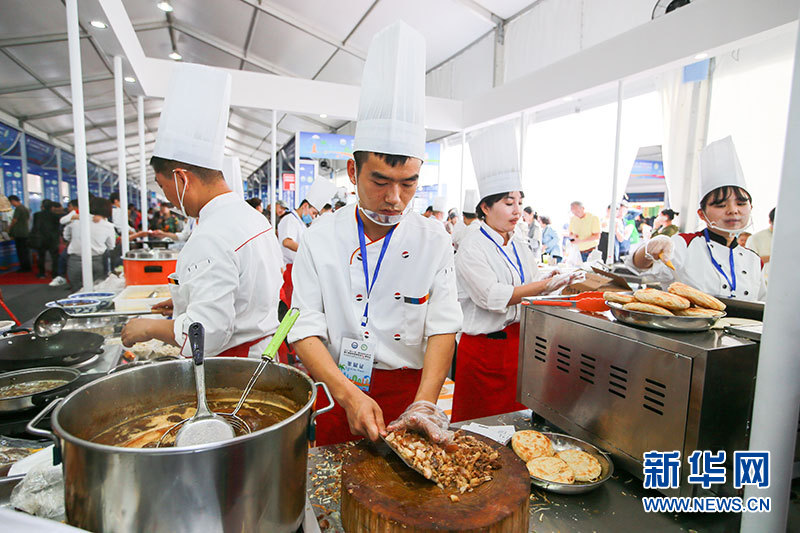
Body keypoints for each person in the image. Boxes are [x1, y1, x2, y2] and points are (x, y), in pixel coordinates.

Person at [288, 22, 461, 446]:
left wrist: (424, 404)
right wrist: (347, 395)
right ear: (352, 171)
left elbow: (443, 327)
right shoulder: (320, 237)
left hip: (410, 390)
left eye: (409, 183)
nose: (396, 199)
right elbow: (303, 327)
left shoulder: (434, 240)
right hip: (337, 388)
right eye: (381, 181)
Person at [121, 64, 283, 358]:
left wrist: (147, 328)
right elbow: (244, 295)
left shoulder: (211, 235)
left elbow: (208, 333)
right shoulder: (249, 217)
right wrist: (185, 305)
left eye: (162, 185)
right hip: (263, 352)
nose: (166, 197)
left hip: (235, 366)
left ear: (182, 178)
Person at [452, 122, 582, 422]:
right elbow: (492, 297)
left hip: (518, 346)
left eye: (519, 203)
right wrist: (542, 287)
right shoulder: (472, 246)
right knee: (479, 429)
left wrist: (556, 283)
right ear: (485, 207)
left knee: (516, 424)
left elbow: (533, 283)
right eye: (508, 203)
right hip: (484, 350)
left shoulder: (519, 242)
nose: (516, 211)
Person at [628, 136, 766, 301]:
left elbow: (762, 305)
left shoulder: (754, 260)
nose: (733, 210)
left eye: (741, 203)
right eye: (720, 205)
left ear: (751, 207)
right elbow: (639, 266)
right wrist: (648, 249)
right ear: (702, 214)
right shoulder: (684, 244)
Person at [276, 178, 337, 306]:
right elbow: (287, 242)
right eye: (313, 213)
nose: (313, 216)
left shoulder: (299, 222)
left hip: (295, 269)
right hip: (288, 268)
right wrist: (308, 250)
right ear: (305, 206)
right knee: (289, 305)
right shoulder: (290, 220)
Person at [64, 197, 115, 289]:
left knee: (76, 291)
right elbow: (111, 245)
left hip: (75, 261)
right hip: (97, 261)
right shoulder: (108, 226)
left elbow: (66, 236)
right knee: (97, 290)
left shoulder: (76, 221)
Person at [31, 199, 60, 279]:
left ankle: (41, 273)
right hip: (52, 239)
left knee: (41, 257)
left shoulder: (36, 215)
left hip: (41, 239)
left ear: (42, 206)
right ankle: (55, 274)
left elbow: (35, 227)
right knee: (55, 257)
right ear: (52, 207)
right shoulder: (55, 216)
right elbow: (58, 227)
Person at [8, 195, 31, 272]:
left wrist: (9, 228)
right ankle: (27, 267)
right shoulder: (25, 208)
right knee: (25, 251)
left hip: (19, 233)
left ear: (13, 201)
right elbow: (27, 219)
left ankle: (23, 268)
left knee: (21, 252)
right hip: (25, 232)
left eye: (11, 203)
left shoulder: (18, 209)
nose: (12, 204)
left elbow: (14, 220)